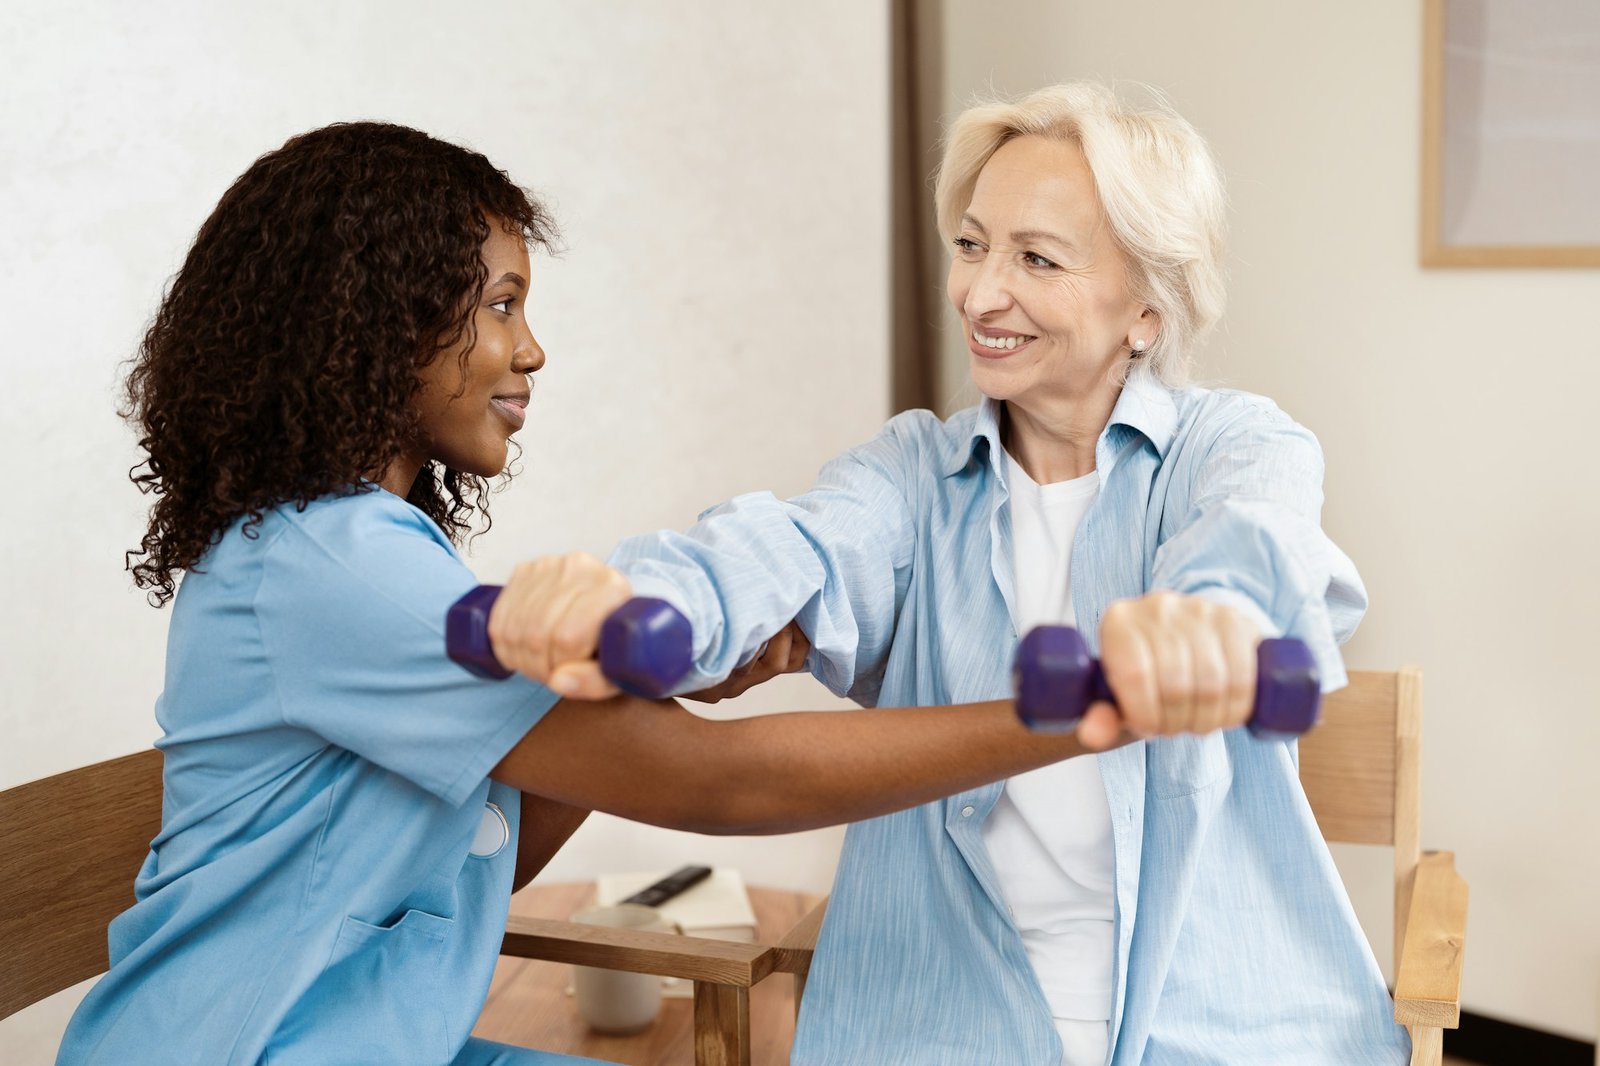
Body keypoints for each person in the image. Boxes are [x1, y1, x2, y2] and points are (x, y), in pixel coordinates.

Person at [55, 121, 1151, 1066]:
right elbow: (718, 787)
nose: (530, 348)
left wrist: (634, 685)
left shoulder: (345, 548)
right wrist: (1064, 713)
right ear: (376, 318)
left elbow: (472, 849)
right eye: (498, 304)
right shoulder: (339, 567)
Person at [505, 83, 1412, 1064]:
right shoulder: (911, 474)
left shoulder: (1234, 445)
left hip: (1213, 1027)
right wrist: (646, 599)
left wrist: (1206, 623)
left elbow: (1256, 544)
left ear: (1146, 309)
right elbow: (800, 545)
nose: (978, 293)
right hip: (939, 1021)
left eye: (1036, 259)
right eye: (973, 245)